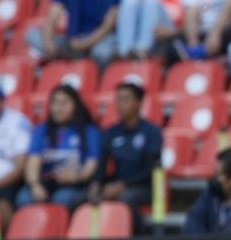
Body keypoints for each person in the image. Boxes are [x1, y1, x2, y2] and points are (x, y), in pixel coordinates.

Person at [17, 85, 101, 211]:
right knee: (24, 198)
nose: (58, 108)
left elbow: (91, 166)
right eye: (54, 102)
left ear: (75, 105)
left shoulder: (89, 131)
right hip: (46, 181)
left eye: (64, 102)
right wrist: (35, 186)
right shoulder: (42, 129)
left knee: (62, 200)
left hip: (76, 184)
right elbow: (33, 162)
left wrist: (75, 177)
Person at [91, 83, 163, 227]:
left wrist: (123, 185)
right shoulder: (110, 132)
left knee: (126, 198)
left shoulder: (151, 132)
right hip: (116, 184)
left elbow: (149, 170)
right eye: (118, 100)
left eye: (125, 99)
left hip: (145, 186)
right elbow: (102, 165)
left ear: (138, 103)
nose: (120, 104)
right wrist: (96, 184)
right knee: (84, 198)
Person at [0, 72, 32, 231]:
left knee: (4, 203)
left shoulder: (16, 122)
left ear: (1, 100)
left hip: (6, 182)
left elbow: (20, 166)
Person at [27, 0, 118, 68]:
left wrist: (83, 44)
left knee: (102, 53)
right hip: (74, 41)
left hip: (100, 39)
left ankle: (97, 75)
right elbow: (51, 18)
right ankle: (66, 61)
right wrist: (48, 43)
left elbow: (107, 26)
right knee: (31, 35)